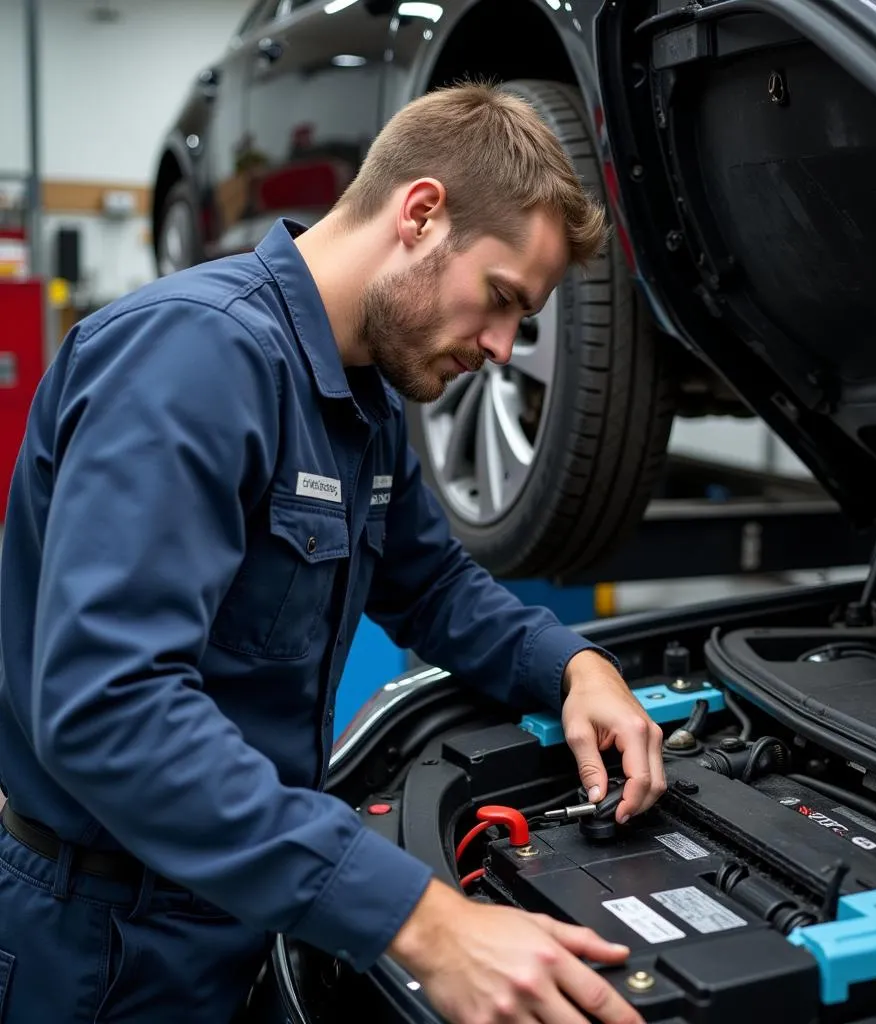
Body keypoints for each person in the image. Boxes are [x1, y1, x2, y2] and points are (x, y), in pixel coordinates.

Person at [0, 83, 666, 1023]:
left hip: (240, 909)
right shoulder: (194, 360)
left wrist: (573, 665)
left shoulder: (362, 400)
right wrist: (421, 921)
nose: (507, 348)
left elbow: (431, 583)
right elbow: (112, 709)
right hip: (109, 948)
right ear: (422, 213)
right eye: (504, 299)